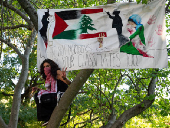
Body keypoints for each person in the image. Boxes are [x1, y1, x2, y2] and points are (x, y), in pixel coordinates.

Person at [32, 59, 71, 126]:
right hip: (54, 95)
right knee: (37, 95)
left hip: (61, 95)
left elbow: (70, 83)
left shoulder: (57, 73)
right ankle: (47, 118)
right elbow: (50, 91)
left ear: (52, 66)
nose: (45, 68)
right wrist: (39, 89)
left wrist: (64, 78)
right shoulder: (48, 78)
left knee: (42, 97)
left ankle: (48, 117)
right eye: (44, 67)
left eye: (47, 66)